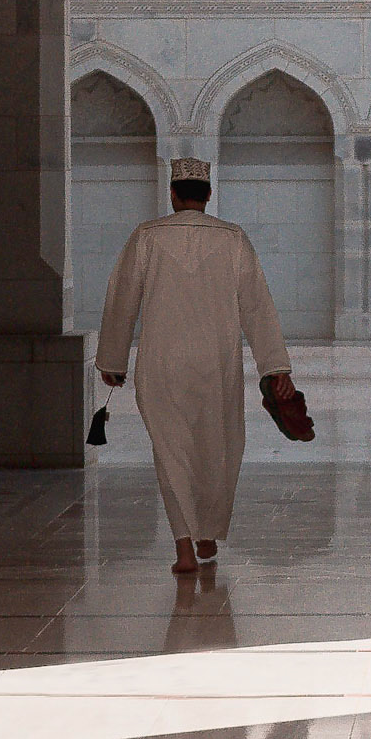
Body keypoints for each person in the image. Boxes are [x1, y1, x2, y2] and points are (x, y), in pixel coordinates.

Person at [95, 157, 298, 575]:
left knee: (171, 452)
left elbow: (122, 299)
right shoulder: (232, 238)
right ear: (208, 194)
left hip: (162, 362)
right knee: (217, 449)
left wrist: (113, 359)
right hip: (216, 363)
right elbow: (257, 305)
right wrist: (275, 366)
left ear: (172, 193)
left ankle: (185, 548)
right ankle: (207, 534)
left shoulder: (147, 236)